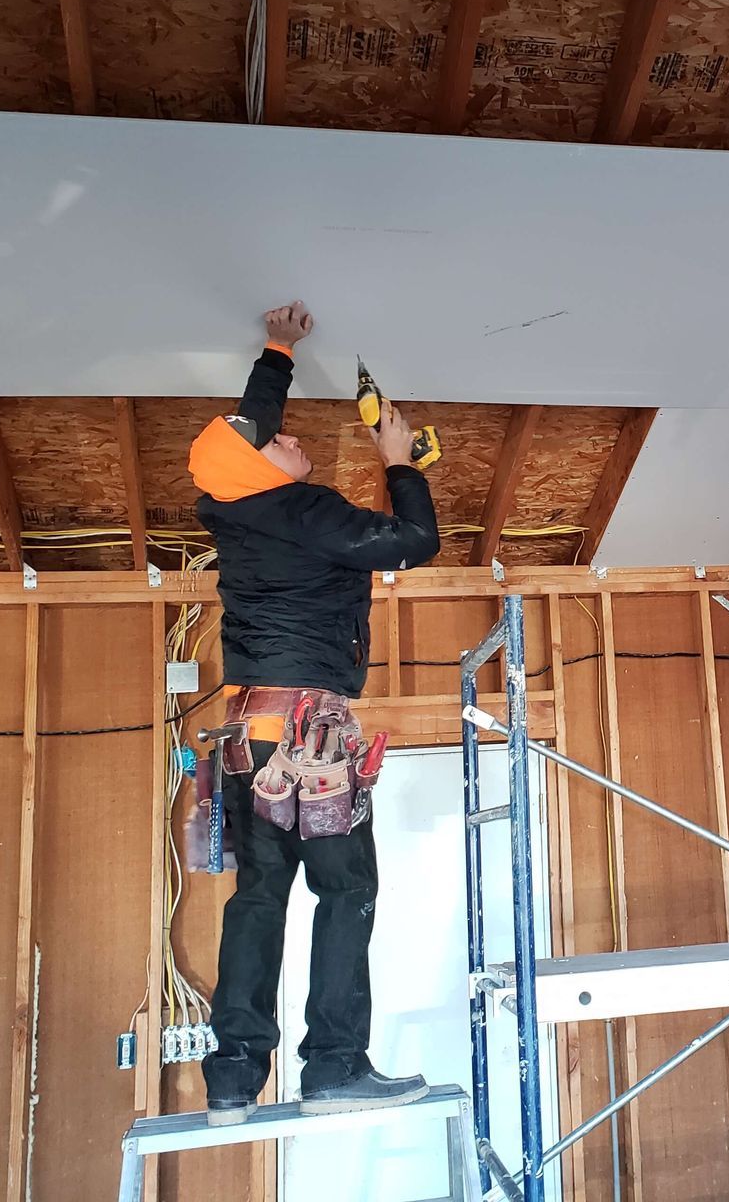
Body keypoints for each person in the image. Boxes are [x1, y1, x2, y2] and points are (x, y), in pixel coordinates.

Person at [190, 300, 442, 1124]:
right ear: (261, 467)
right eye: (279, 441)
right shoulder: (303, 511)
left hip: (251, 739)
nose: (290, 436)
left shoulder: (235, 510)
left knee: (259, 897)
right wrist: (399, 462)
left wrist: (278, 350)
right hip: (308, 738)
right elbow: (415, 543)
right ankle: (333, 1066)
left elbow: (247, 428)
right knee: (346, 888)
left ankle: (233, 1078)